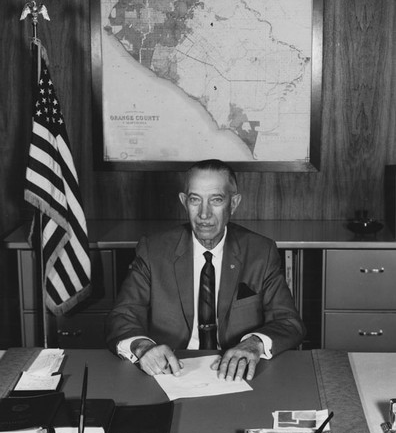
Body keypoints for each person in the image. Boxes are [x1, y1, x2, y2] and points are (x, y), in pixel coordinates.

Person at [106, 159, 305, 381]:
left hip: (237, 374)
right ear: (184, 201)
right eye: (195, 200)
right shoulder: (153, 250)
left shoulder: (261, 252)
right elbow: (123, 316)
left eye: (216, 200)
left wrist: (254, 344)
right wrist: (143, 348)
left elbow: (289, 322)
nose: (203, 214)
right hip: (171, 372)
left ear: (234, 203)